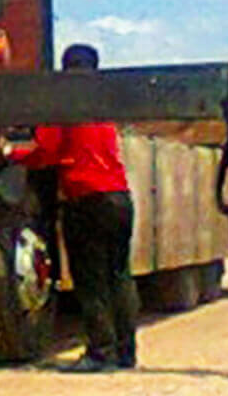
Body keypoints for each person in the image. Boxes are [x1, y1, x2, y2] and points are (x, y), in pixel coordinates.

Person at [11, 43, 140, 372]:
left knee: (91, 279)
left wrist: (10, 154)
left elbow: (47, 153)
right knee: (120, 276)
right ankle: (126, 352)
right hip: (119, 197)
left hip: (86, 199)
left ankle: (100, 353)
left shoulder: (65, 103)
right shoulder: (103, 105)